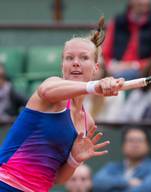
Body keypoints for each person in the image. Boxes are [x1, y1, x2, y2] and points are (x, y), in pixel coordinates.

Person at [0, 17, 124, 192]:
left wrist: (74, 160)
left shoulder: (87, 122)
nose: (75, 62)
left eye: (84, 58)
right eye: (69, 57)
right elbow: (46, 91)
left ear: (96, 67)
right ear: (62, 65)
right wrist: (95, 86)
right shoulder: (53, 89)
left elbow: (57, 178)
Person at [103, 0, 151, 80]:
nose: (144, 2)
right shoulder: (117, 21)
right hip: (115, 68)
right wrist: (110, 65)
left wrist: (135, 65)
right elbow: (105, 53)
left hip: (144, 71)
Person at [93, 127, 151, 192]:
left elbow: (149, 189)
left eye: (139, 140)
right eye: (131, 140)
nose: (135, 144)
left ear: (148, 146)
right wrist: (127, 182)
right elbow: (97, 183)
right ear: (123, 146)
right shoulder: (113, 167)